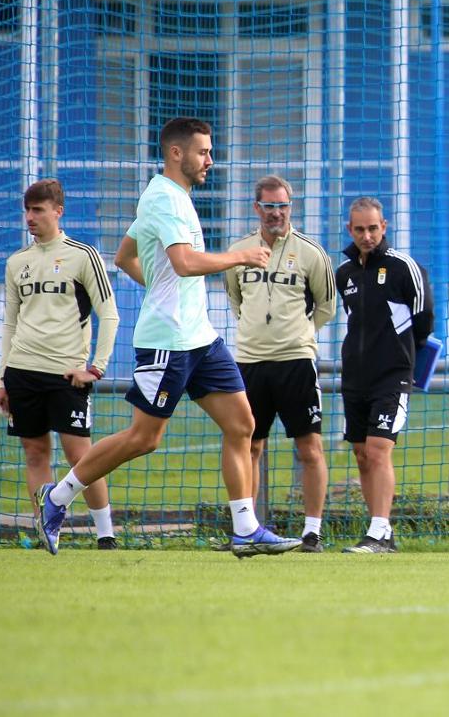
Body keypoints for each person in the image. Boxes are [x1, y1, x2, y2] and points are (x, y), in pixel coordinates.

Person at [34, 117, 300, 557]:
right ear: (177, 153)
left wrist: (160, 288)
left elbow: (126, 256)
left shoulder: (173, 197)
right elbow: (184, 263)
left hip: (201, 338)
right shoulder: (163, 199)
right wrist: (240, 257)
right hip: (168, 342)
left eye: (210, 152)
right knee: (144, 438)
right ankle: (57, 497)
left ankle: (245, 529)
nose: (210, 160)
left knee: (242, 424)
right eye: (203, 152)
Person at [0, 179, 120, 550]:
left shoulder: (84, 256)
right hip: (22, 372)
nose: (30, 217)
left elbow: (109, 314)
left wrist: (95, 368)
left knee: (82, 456)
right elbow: (10, 323)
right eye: (27, 210)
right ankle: (47, 532)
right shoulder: (17, 262)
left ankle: (106, 535)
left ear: (58, 211)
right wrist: (2, 379)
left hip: (68, 374)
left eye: (38, 210)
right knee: (35, 453)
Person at [224, 175, 336, 553]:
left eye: (283, 206)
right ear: (256, 208)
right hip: (250, 362)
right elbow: (235, 298)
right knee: (249, 447)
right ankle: (248, 529)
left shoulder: (312, 253)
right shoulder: (238, 251)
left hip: (296, 362)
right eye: (269, 206)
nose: (276, 213)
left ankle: (312, 533)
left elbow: (326, 306)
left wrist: (299, 334)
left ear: (291, 207)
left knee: (309, 447)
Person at [335, 197, 433, 554]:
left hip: (393, 375)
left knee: (378, 450)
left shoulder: (404, 268)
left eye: (373, 228)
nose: (367, 235)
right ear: (350, 230)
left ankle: (377, 533)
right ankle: (382, 531)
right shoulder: (344, 273)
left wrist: (404, 357)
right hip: (354, 376)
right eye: (360, 229)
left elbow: (424, 319)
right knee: (362, 454)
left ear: (384, 226)